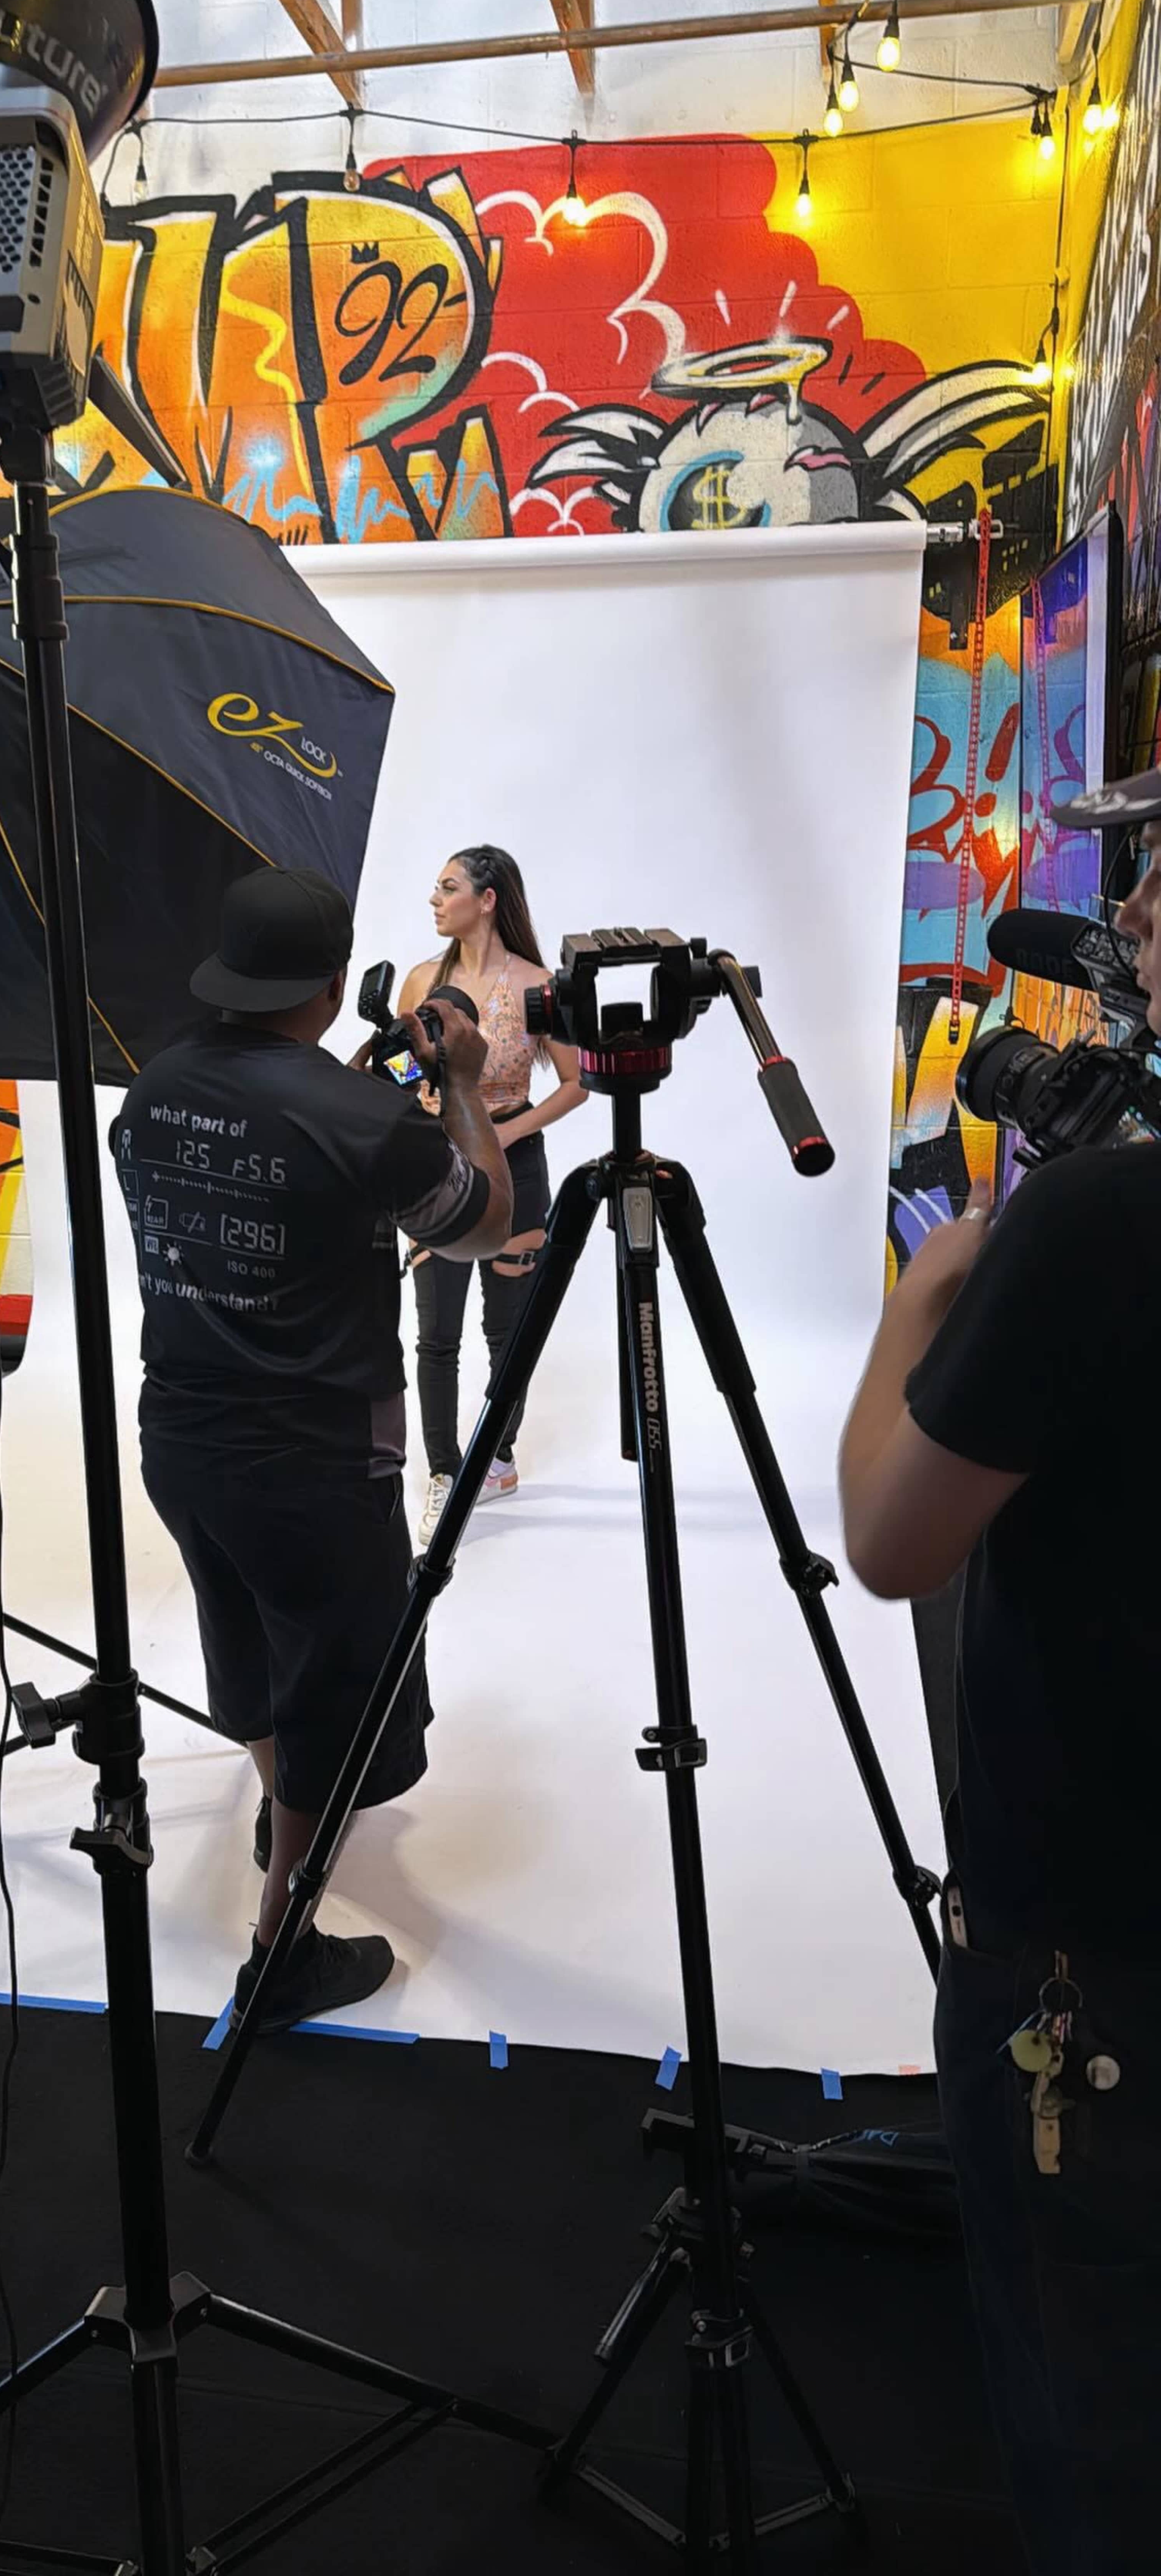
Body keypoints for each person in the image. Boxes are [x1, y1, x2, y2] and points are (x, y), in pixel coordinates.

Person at [837, 817, 1161, 2576]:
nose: (1132, 908)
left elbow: (893, 1543)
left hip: (1094, 1946)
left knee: (1097, 2415)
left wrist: (928, 1296)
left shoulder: (1101, 1224)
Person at [111, 865, 513, 2032]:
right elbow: (482, 1225)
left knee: (244, 1643)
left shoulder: (154, 1088)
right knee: (335, 1689)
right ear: (337, 985)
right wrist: (462, 1087)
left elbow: (271, 1159)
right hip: (315, 1462)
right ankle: (281, 1949)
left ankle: (277, 1802)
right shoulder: (364, 1115)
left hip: (181, 1438)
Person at [396, 846, 585, 1542]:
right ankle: (445, 1472)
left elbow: (577, 1084)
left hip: (516, 1162)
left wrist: (506, 1133)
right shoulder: (422, 980)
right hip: (435, 1161)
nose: (434, 899)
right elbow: (400, 1071)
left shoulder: (539, 986)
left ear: (487, 899)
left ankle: (497, 1458)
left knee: (509, 1329)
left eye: (448, 887)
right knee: (436, 1331)